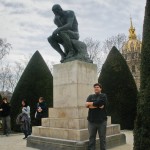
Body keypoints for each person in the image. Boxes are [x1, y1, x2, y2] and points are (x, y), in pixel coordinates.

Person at [85, 83, 107, 150]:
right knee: (91, 138)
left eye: (97, 87)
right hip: (91, 121)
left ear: (100, 89)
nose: (96, 88)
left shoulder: (103, 96)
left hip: (102, 121)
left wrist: (91, 104)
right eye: (95, 87)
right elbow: (86, 105)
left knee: (102, 138)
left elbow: (101, 102)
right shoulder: (90, 96)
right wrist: (97, 105)